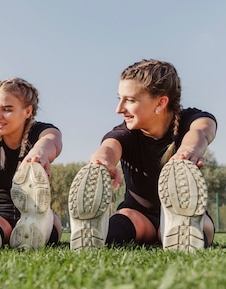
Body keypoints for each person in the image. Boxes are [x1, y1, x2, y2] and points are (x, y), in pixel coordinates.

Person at [68, 59, 216, 252]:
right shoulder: (126, 133)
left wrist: (188, 151)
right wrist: (101, 161)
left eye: (129, 100)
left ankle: (178, 228)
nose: (119, 109)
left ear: (161, 102)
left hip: (188, 213)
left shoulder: (193, 119)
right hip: (139, 216)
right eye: (119, 98)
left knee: (187, 226)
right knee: (114, 230)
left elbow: (201, 132)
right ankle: (94, 231)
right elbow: (110, 147)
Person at [0, 77, 63, 249]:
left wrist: (39, 154)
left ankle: (36, 225)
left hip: (35, 206)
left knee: (48, 228)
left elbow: (52, 140)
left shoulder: (41, 131)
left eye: (7, 109)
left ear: (27, 111)